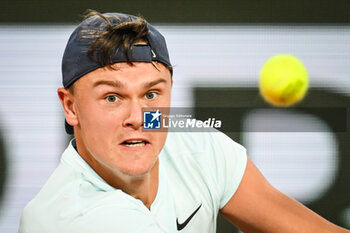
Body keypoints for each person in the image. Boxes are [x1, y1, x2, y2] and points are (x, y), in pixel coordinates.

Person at [19, 10, 350, 233]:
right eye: (112, 98)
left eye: (151, 95)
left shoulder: (198, 147)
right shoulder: (70, 218)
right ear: (71, 106)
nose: (138, 119)